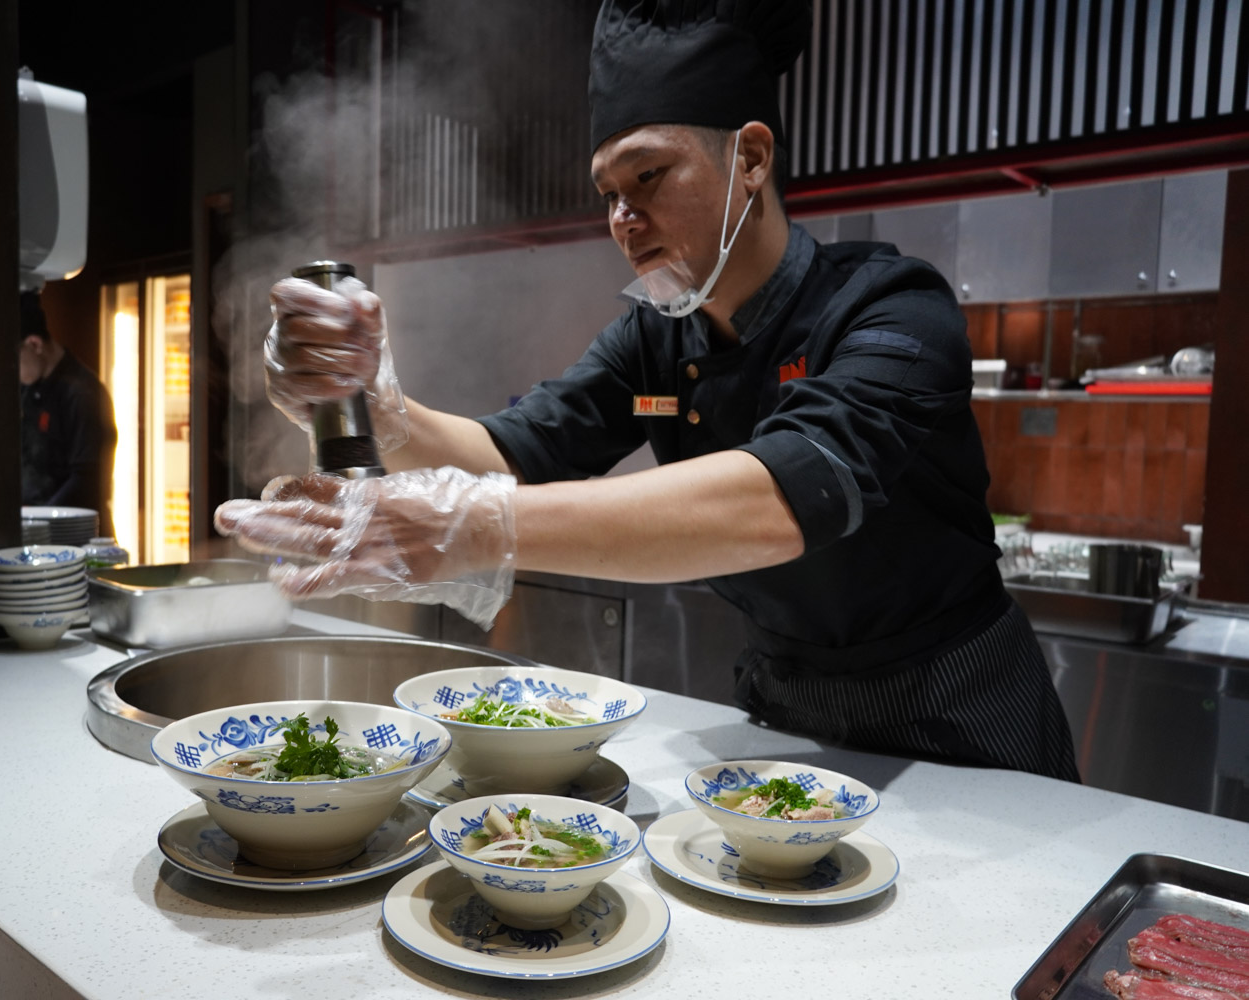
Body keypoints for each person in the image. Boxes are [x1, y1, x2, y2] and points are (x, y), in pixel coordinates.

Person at [215, 0, 1079, 781]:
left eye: (649, 177)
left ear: (750, 158)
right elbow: (511, 455)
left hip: (954, 708)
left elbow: (781, 499)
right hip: (791, 706)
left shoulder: (893, 306)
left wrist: (475, 528)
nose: (623, 220)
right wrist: (381, 407)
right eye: (609, 194)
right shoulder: (656, 337)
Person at [19, 289, 118, 529]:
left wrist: (37, 521)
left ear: (34, 344)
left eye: (15, 361)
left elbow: (87, 479)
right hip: (38, 526)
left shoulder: (82, 393)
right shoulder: (31, 388)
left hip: (75, 532)